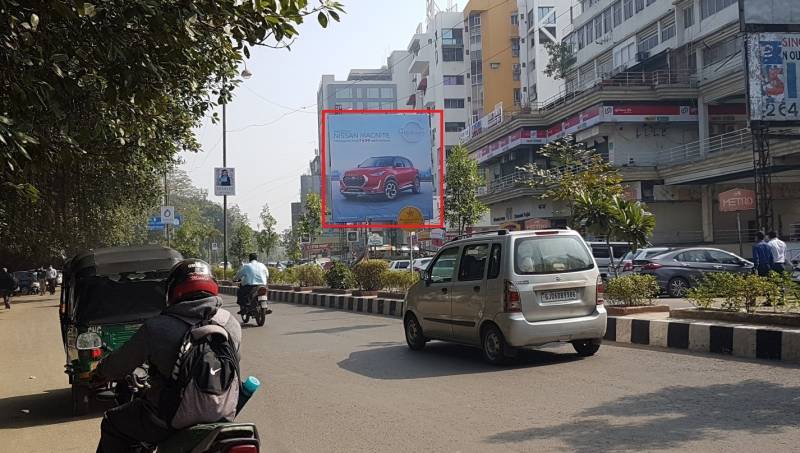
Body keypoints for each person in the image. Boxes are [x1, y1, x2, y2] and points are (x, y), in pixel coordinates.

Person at [93, 259, 241, 452]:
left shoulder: (157, 327)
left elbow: (119, 365)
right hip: (223, 413)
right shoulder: (231, 323)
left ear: (173, 290)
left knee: (113, 422)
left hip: (168, 419)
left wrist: (100, 374)